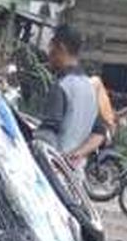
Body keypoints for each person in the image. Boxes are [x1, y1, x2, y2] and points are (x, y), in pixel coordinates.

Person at [35, 24, 101, 162]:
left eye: (51, 46)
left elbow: (47, 134)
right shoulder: (90, 88)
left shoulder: (62, 86)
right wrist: (78, 154)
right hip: (74, 174)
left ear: (61, 47)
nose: (49, 53)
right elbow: (99, 134)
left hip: (54, 167)